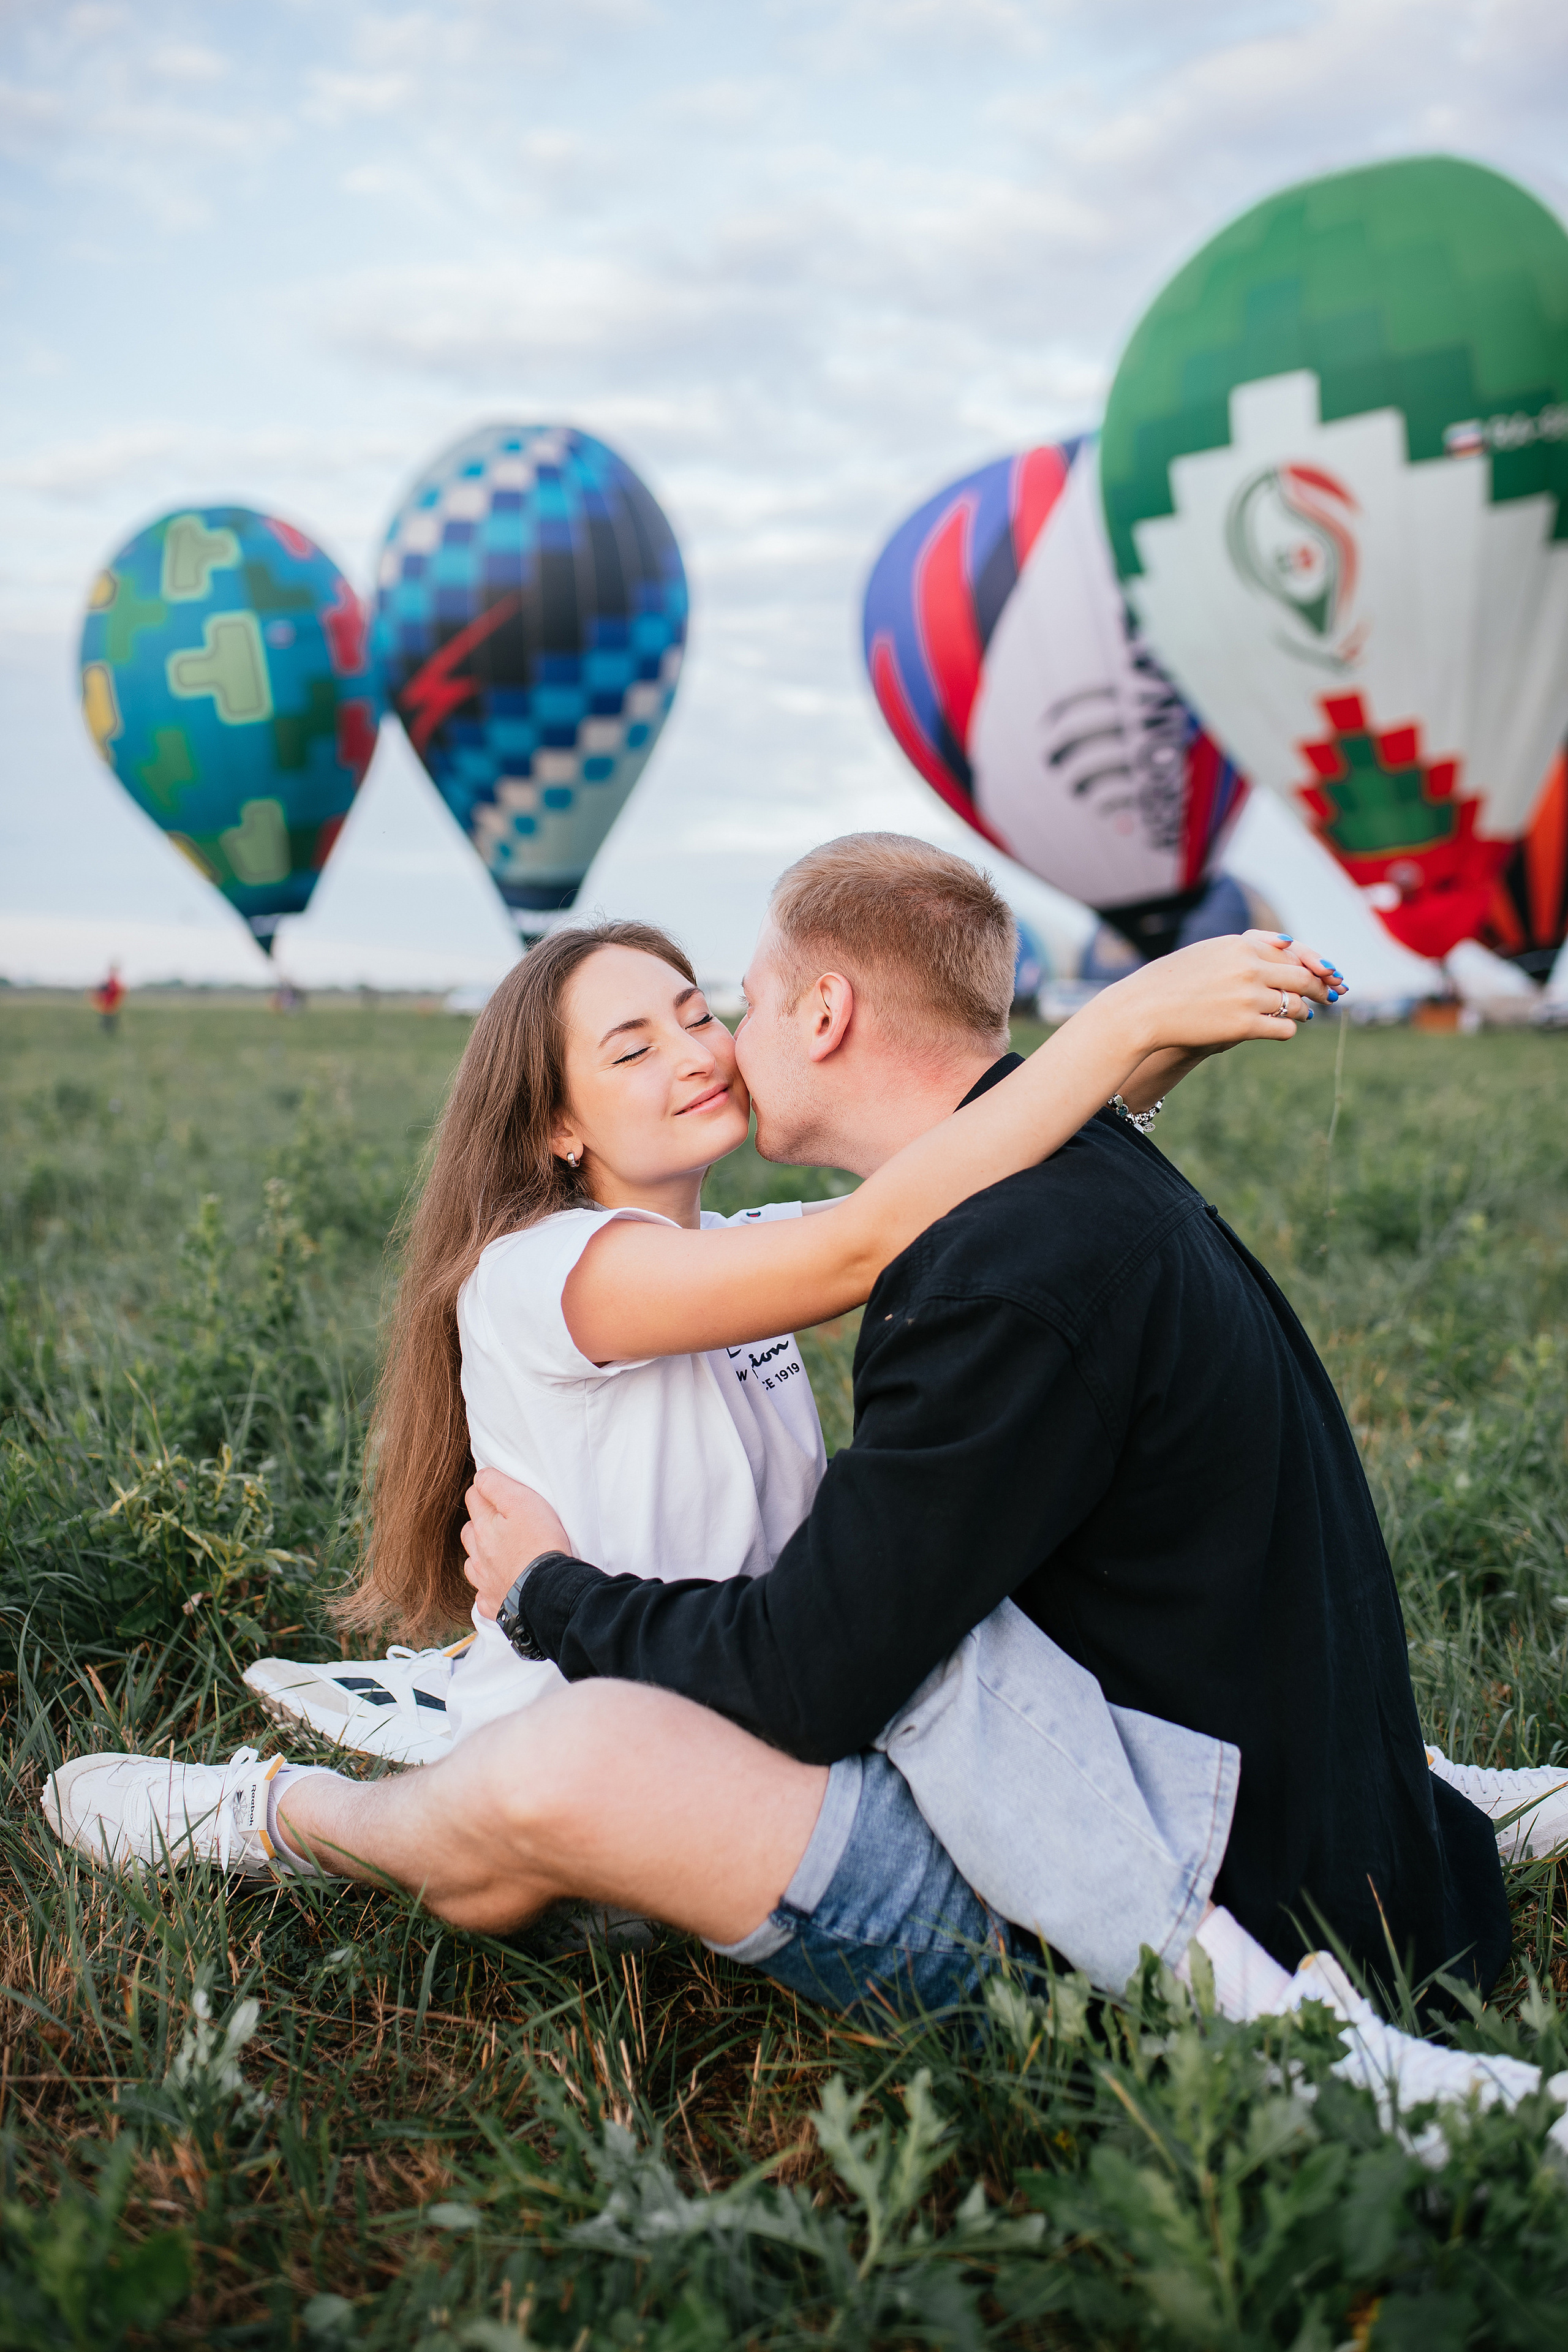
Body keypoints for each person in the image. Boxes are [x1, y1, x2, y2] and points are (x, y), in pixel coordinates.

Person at [42, 839, 1568, 2140]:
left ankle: (1385, 1816)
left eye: (710, 1010)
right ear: (557, 1126)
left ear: (809, 1012)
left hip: (755, 1671)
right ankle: (268, 1817)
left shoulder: (750, 1253)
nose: (703, 1048)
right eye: (634, 1048)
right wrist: (1114, 1026)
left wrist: (1136, 1066)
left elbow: (957, 1162)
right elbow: (878, 1230)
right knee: (543, 1817)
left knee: (549, 1851)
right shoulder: (557, 1271)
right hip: (643, 1671)